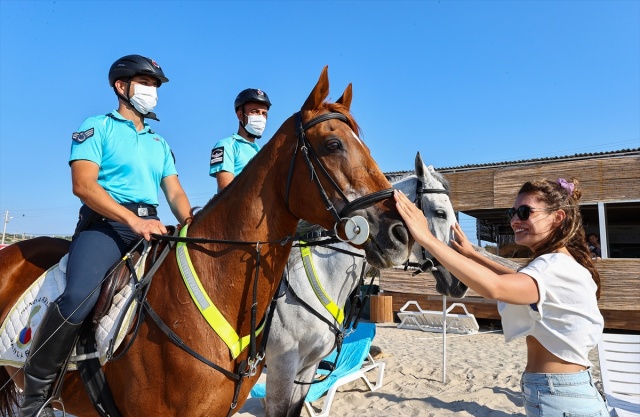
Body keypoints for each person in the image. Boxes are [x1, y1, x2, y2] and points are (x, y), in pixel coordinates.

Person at [20, 55, 192, 417]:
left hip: (154, 228)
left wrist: (192, 223)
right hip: (106, 226)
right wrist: (133, 220)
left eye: (155, 85)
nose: (152, 91)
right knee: (80, 297)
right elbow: (83, 185)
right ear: (121, 86)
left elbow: (174, 193)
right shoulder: (97, 127)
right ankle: (34, 397)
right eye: (146, 83)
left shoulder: (159, 143)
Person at [394, 178, 608, 416]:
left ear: (557, 217)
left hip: (560, 398)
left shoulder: (552, 267)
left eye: (525, 212)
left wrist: (426, 238)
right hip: (563, 392)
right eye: (512, 212)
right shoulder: (564, 264)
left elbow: (495, 287)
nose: (515, 220)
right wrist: (473, 255)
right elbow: (518, 279)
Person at [209, 88, 271, 191]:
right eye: (255, 111)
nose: (260, 117)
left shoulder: (261, 152)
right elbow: (226, 191)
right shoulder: (225, 145)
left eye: (264, 113)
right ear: (240, 115)